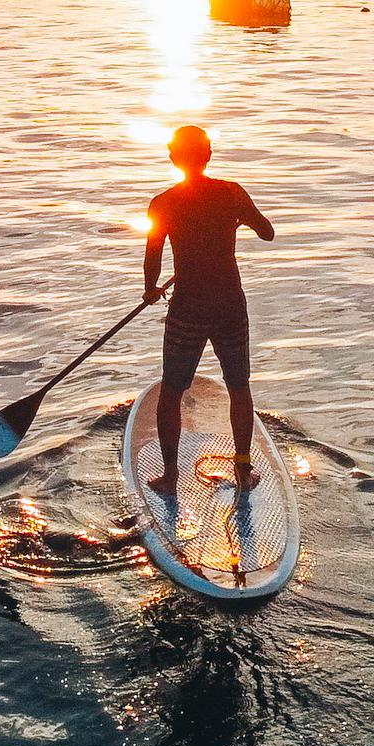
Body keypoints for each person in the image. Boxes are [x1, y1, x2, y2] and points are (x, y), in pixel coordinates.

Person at [143, 126, 274, 496]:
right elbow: (268, 232)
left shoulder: (163, 203)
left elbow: (152, 257)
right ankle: (243, 472)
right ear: (208, 155)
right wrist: (241, 219)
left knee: (172, 389)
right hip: (230, 304)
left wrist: (151, 289)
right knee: (239, 387)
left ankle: (170, 479)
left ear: (173, 157)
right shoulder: (232, 193)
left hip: (188, 306)